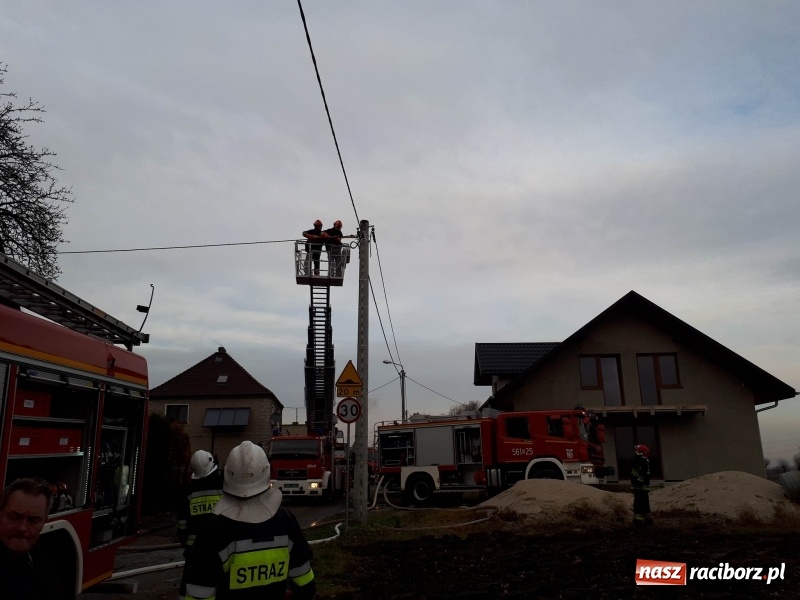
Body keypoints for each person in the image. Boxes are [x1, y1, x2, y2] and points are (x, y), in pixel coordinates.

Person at [184, 441, 316, 599]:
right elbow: (306, 585)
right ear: (267, 472)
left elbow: (199, 594)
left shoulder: (212, 530)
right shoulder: (286, 521)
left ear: (227, 474)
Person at [0, 477, 75, 599]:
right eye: (14, 517)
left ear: (44, 522)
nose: (22, 528)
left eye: (33, 521)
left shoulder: (47, 569)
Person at [177, 450, 225, 599]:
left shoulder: (188, 491)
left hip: (195, 552)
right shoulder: (224, 486)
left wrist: (187, 544)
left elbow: (182, 525)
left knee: (193, 588)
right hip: (221, 547)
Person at [631, 444, 653, 527]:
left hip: (640, 487)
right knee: (645, 504)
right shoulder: (644, 461)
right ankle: (648, 519)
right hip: (642, 488)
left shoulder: (641, 461)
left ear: (641, 452)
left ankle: (638, 521)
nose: (635, 452)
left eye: (637, 451)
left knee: (638, 504)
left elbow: (641, 474)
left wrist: (637, 482)